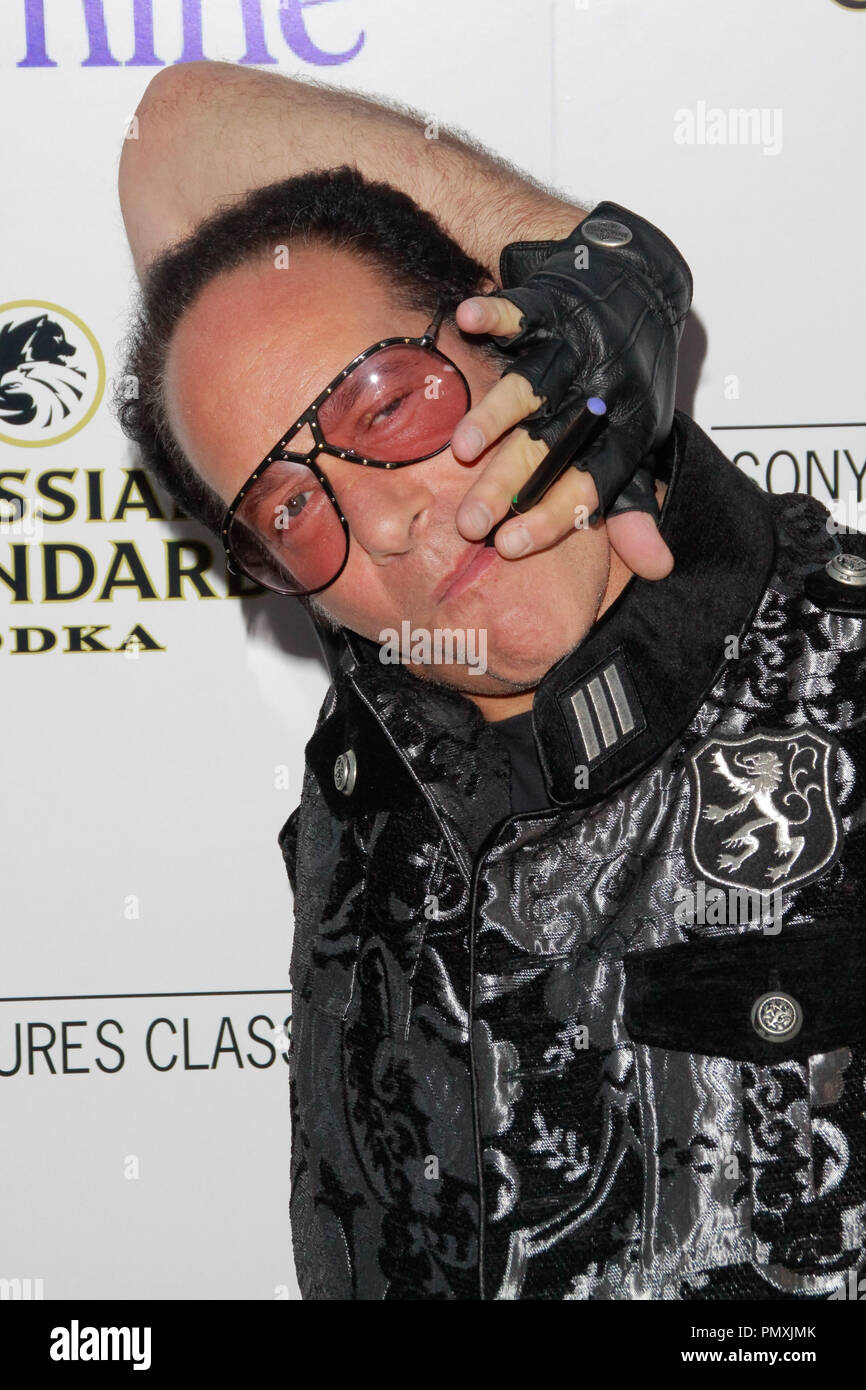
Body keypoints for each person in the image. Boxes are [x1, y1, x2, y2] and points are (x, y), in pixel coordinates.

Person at [116, 65, 866, 1301]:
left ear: (499, 332)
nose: (389, 524)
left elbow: (184, 131)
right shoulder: (382, 736)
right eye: (294, 507)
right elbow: (168, 150)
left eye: (384, 402)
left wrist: (588, 260)